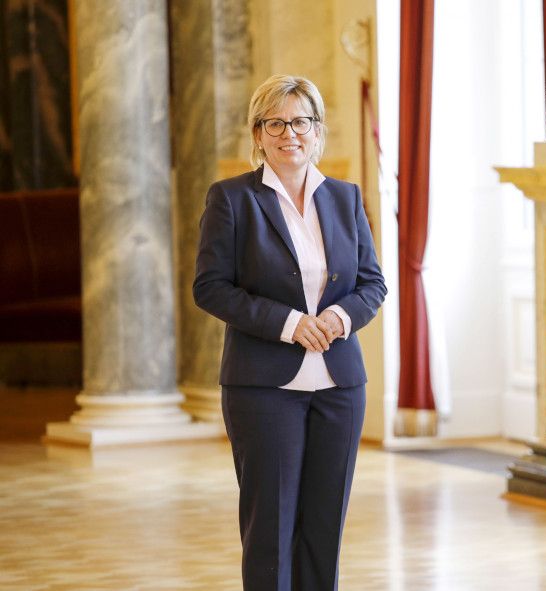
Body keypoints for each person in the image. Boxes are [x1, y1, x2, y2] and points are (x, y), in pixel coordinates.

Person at [193, 74, 386, 590]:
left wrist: (338, 319)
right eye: (274, 123)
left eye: (300, 121)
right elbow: (210, 288)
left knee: (324, 532)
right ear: (257, 134)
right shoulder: (232, 199)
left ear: (317, 131)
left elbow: (372, 282)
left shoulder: (345, 198)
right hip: (263, 389)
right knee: (270, 533)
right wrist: (290, 324)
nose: (288, 133)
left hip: (340, 388)